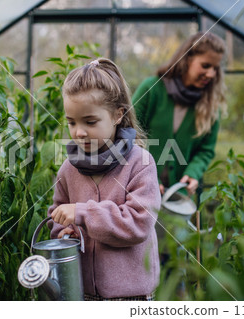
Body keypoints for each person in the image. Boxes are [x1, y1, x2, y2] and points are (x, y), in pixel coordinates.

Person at [47, 58, 161, 301]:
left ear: (118, 115)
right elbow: (56, 215)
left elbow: (138, 223)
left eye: (90, 122)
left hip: (131, 297)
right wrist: (65, 230)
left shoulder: (140, 163)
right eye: (71, 122)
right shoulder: (68, 169)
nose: (79, 131)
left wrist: (83, 214)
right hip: (83, 293)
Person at [132, 32, 226, 195]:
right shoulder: (152, 89)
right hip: (140, 190)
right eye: (205, 66)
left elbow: (206, 150)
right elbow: (129, 134)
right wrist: (147, 176)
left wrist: (193, 173)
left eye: (215, 68)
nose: (211, 74)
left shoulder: (210, 105)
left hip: (180, 196)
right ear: (187, 59)